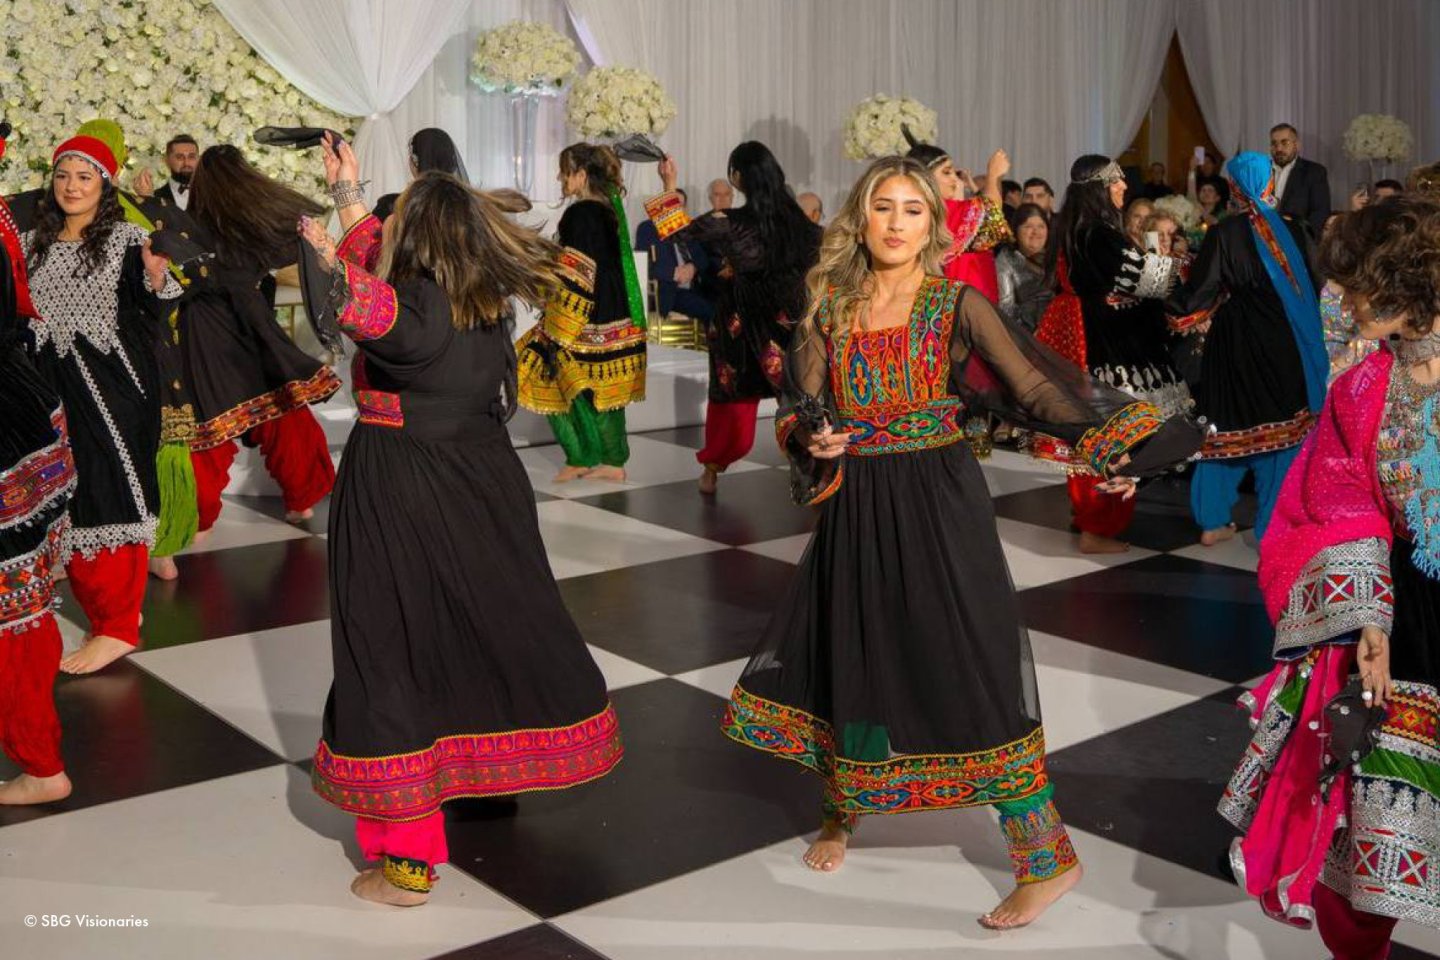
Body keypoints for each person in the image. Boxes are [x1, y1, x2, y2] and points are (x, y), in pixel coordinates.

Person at [721, 155, 1199, 930]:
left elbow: (1036, 388)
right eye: (884, 207)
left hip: (938, 499)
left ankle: (1046, 858)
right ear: (860, 217)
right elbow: (801, 401)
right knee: (858, 643)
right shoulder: (829, 304)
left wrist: (1119, 444)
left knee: (966, 655)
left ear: (933, 225)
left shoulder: (956, 303)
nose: (898, 223)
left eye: (914, 209)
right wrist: (811, 435)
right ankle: (845, 808)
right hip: (857, 505)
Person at [301, 134, 623, 906]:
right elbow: (382, 264)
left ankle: (408, 861)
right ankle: (483, 776)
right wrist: (347, 197)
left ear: (411, 238)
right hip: (484, 478)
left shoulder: (407, 308)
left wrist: (315, 249)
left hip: (401, 485)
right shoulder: (482, 300)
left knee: (391, 650)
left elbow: (350, 301)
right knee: (480, 630)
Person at [1220, 196, 1440, 959]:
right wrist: (1369, 620)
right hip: (1407, 609)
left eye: (1356, 289)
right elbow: (1340, 498)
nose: (1341, 304)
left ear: (1406, 287)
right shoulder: (1361, 388)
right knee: (1371, 811)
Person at [22, 134, 183, 675]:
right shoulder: (34, 241)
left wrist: (155, 276)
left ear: (105, 183)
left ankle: (117, 626)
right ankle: (105, 611)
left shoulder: (125, 238)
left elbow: (158, 295)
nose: (71, 186)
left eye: (84, 177)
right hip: (49, 385)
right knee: (63, 494)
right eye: (64, 175)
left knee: (109, 493)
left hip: (111, 388)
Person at [1033, 154, 1191, 554]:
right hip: (1103, 343)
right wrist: (1177, 266)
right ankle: (1097, 528)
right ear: (1099, 189)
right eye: (1116, 181)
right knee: (1111, 435)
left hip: (1085, 334)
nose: (1124, 187)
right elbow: (1147, 279)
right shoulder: (1097, 233)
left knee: (1090, 430)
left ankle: (1088, 518)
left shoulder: (1076, 229)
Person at [1166, 152, 1327, 545]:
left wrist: (1172, 295)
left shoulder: (1225, 233)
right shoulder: (1298, 229)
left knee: (1224, 428)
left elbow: (1199, 296)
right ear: (1270, 183)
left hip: (1235, 342)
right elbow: (1316, 283)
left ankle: (1212, 521)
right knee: (1283, 434)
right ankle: (1274, 525)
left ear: (1234, 188)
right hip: (1284, 342)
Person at [182, 145, 342, 534]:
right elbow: (293, 242)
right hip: (251, 330)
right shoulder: (250, 224)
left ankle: (196, 516)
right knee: (282, 409)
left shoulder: (187, 226)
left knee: (208, 425)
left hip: (202, 336)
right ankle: (302, 501)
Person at [649, 143, 822, 494]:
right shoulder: (803, 225)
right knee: (800, 398)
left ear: (739, 178)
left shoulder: (732, 223)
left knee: (733, 402)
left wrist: (669, 184)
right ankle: (815, 478)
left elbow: (676, 232)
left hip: (741, 324)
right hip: (791, 322)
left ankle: (712, 470)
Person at [75, 118, 200, 583]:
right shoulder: (138, 210)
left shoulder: (103, 213)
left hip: (113, 351)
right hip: (148, 346)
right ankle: (160, 547)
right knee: (155, 444)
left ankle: (121, 550)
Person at [0, 135, 79, 804]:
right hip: (21, 408)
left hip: (7, 425)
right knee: (19, 601)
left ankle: (41, 764)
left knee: (14, 606)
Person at [516, 143, 646, 483]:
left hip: (585, 313)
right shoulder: (608, 210)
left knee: (538, 370)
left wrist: (554, 313)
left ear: (581, 175)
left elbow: (577, 271)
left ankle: (583, 456)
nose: (560, 178)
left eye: (565, 171)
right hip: (614, 310)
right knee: (602, 390)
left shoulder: (581, 213)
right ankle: (610, 461)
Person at [903, 132, 1013, 301]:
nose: (955, 180)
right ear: (925, 178)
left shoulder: (917, 212)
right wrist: (994, 176)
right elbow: (991, 216)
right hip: (959, 307)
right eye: (947, 173)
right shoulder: (940, 211)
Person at [634, 188, 716, 322]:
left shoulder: (690, 229)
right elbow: (641, 264)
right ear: (663, 206)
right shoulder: (647, 228)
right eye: (673, 204)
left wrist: (692, 267)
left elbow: (703, 259)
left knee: (716, 310)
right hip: (665, 289)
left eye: (680, 205)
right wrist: (672, 273)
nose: (676, 209)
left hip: (692, 289)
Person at [995, 202, 1053, 333]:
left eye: (1041, 226)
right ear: (1016, 230)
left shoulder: (1056, 257)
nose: (1035, 232)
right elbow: (1006, 308)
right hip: (1027, 335)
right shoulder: (1007, 259)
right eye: (1028, 226)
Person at [1270, 123, 1331, 236]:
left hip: (1298, 244)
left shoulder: (1314, 172)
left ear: (1297, 145)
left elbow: (1319, 214)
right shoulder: (1261, 171)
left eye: (1285, 143)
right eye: (1274, 143)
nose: (1278, 148)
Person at [136, 134, 198, 212]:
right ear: (167, 161)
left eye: (191, 157)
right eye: (179, 157)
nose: (186, 163)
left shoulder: (212, 195)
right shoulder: (154, 197)